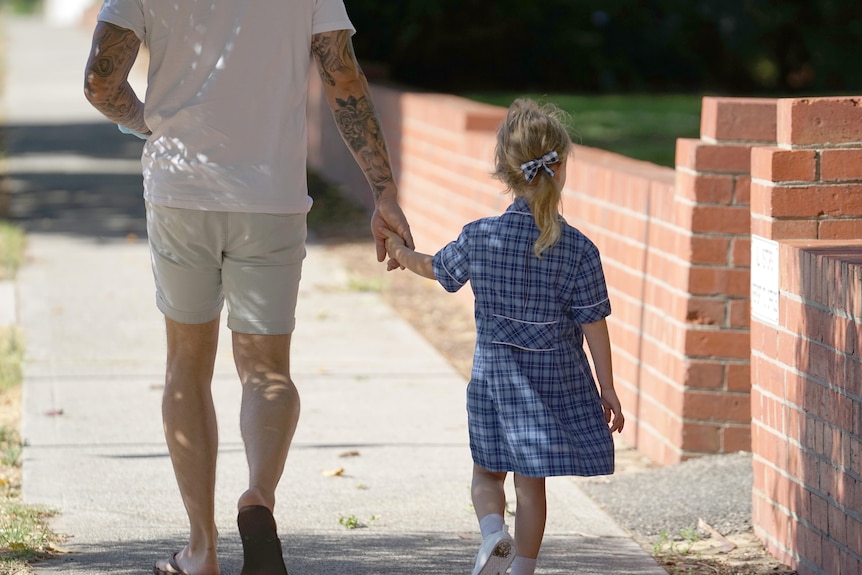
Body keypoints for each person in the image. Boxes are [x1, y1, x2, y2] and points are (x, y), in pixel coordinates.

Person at [83, 2, 413, 574]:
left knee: (187, 365)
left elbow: (100, 79)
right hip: (271, 195)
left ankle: (201, 550)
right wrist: (383, 191)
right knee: (268, 369)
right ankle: (258, 496)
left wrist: (148, 122)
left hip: (181, 190)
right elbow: (343, 75)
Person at [381, 98, 625, 575]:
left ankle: (494, 535)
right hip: (552, 385)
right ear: (561, 167)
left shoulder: (481, 236)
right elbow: (595, 324)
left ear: (505, 171)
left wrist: (399, 250)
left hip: (495, 384)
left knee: (486, 473)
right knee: (531, 487)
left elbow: (436, 269)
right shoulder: (579, 250)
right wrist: (608, 388)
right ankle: (523, 569)